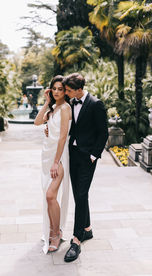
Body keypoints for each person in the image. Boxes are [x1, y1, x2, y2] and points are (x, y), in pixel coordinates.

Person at [62, 73, 109, 262]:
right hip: (72, 156)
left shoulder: (96, 104)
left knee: (81, 195)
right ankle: (87, 229)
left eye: (69, 90)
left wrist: (93, 155)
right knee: (79, 195)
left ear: (79, 89)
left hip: (87, 158)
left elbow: (103, 132)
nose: (66, 93)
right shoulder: (72, 102)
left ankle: (76, 240)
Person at [34, 75, 72, 254]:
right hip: (47, 154)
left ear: (66, 91)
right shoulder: (54, 108)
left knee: (51, 195)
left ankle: (56, 233)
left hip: (60, 155)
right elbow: (37, 122)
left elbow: (63, 136)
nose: (57, 92)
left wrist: (56, 162)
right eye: (54, 89)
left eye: (60, 89)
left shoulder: (65, 108)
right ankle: (51, 231)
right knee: (47, 195)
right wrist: (46, 102)